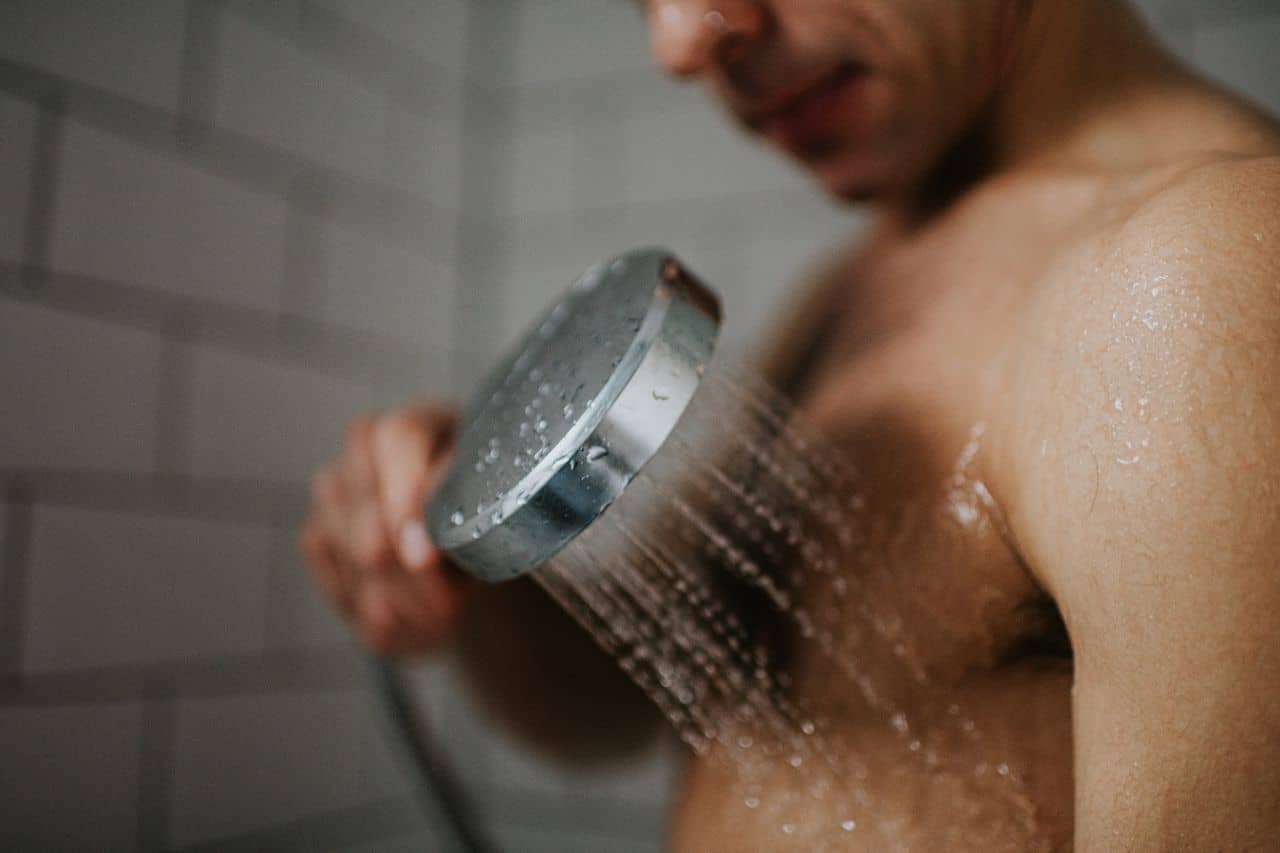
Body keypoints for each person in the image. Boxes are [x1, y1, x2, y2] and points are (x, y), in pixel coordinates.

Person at [299, 1, 1280, 849]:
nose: (679, 40)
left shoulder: (1199, 274)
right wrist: (466, 568)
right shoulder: (853, 289)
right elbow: (645, 707)